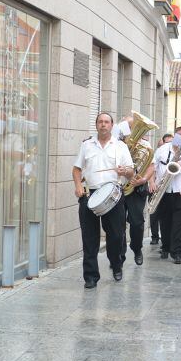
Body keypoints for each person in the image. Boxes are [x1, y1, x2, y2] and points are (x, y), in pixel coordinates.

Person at [72, 112, 134, 288]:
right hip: (90, 194)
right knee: (89, 238)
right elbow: (77, 169)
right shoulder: (86, 145)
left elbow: (131, 173)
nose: (103, 125)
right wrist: (78, 186)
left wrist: (125, 172)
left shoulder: (121, 146)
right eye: (100, 122)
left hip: (114, 195)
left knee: (116, 236)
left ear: (112, 125)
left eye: (107, 122)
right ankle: (91, 277)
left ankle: (116, 264)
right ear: (96, 124)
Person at [150, 126, 181, 264]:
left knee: (179, 225)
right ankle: (166, 247)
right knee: (165, 222)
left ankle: (177, 253)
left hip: (179, 191)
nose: (180, 138)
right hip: (163, 191)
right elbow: (152, 166)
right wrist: (151, 182)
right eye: (178, 135)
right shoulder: (162, 149)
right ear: (174, 136)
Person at [121, 122, 156, 266]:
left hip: (137, 189)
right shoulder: (118, 144)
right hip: (118, 187)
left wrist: (144, 179)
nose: (132, 129)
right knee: (118, 223)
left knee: (137, 223)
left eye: (133, 126)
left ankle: (137, 248)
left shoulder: (146, 146)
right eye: (130, 126)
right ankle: (119, 254)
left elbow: (151, 166)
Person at [149, 134, 173, 246]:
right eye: (167, 142)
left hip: (169, 189)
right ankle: (155, 236)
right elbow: (152, 169)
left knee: (165, 217)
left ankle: (166, 241)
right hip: (156, 187)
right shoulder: (159, 152)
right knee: (154, 213)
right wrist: (152, 183)